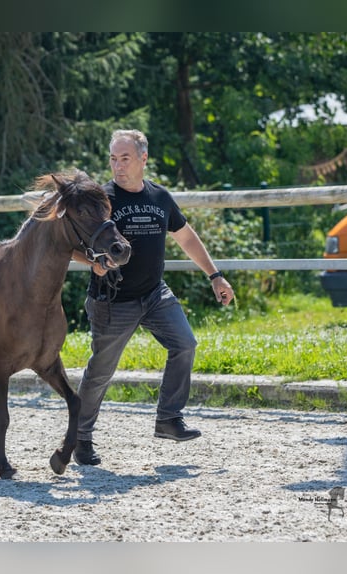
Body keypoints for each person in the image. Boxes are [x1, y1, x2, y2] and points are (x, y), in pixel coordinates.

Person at [72, 129, 235, 466]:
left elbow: (187, 238)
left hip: (154, 294)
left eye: (125, 158)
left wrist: (215, 275)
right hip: (113, 299)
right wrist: (92, 262)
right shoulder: (102, 200)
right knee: (101, 371)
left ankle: (168, 419)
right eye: (113, 159)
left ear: (143, 159)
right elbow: (69, 243)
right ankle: (80, 437)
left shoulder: (160, 198)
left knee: (185, 344)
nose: (118, 166)